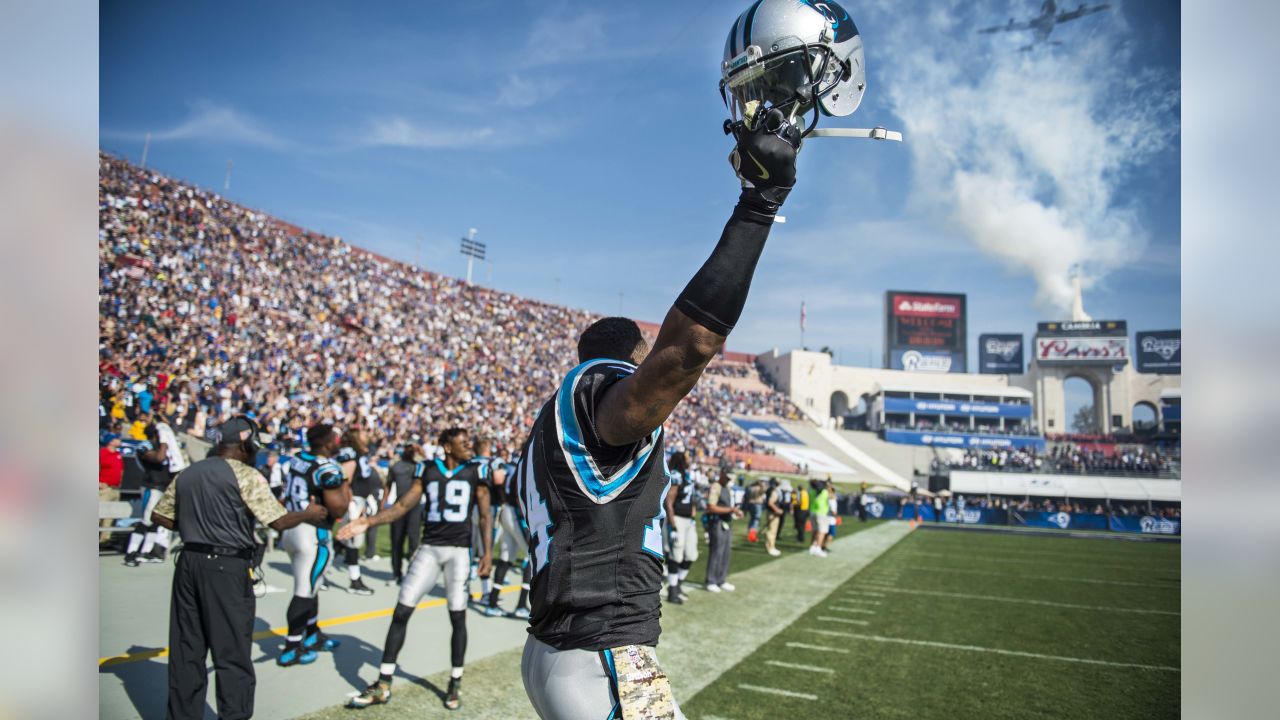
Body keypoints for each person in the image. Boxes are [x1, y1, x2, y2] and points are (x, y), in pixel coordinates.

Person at [150, 415, 328, 720]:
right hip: (226, 566)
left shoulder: (189, 473)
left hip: (188, 562)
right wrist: (308, 513)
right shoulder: (246, 475)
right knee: (231, 652)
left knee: (186, 650)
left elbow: (160, 516)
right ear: (248, 443)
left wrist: (197, 527)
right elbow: (277, 520)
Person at [339, 427, 493, 711]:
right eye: (462, 443)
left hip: (459, 552)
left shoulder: (476, 471)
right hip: (430, 548)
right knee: (401, 611)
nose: (468, 447)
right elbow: (402, 505)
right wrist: (368, 522)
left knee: (457, 617)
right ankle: (384, 682)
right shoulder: (428, 469)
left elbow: (485, 515)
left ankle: (455, 680)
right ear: (447, 447)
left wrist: (487, 553)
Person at [277, 423, 351, 667]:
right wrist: (344, 479)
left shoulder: (299, 458)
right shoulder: (327, 467)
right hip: (312, 533)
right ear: (327, 442)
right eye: (334, 439)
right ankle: (292, 646)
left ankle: (311, 633)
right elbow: (339, 508)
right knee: (305, 589)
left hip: (292, 528)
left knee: (312, 585)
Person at [476, 439, 531, 618]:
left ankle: (492, 602)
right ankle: (522, 605)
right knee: (533, 557)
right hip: (515, 512)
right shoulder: (528, 464)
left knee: (507, 557)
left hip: (508, 511)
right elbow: (520, 493)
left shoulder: (516, 464)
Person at [335, 426, 378, 596]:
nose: (366, 435)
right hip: (353, 500)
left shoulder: (360, 452)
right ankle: (354, 580)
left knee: (347, 539)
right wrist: (350, 500)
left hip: (360, 500)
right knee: (351, 539)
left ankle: (321, 566)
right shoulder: (349, 453)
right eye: (362, 433)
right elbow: (345, 479)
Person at [124, 422, 173, 566]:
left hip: (163, 487)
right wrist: (164, 442)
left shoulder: (164, 446)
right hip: (152, 486)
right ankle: (131, 552)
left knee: (156, 522)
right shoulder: (145, 446)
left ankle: (146, 551)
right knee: (146, 520)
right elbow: (159, 458)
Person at [663, 451, 701, 605]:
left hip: (688, 521)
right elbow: (669, 502)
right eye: (687, 458)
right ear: (681, 460)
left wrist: (693, 515)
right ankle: (672, 590)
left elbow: (691, 498)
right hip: (677, 519)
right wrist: (672, 525)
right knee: (675, 555)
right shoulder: (676, 475)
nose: (690, 460)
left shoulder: (686, 475)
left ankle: (678, 584)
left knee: (691, 554)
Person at [383, 443, 423, 584]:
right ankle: (396, 573)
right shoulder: (396, 465)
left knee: (414, 541)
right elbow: (388, 484)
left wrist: (419, 452)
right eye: (408, 447)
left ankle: (412, 573)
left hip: (414, 507)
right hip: (399, 507)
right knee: (396, 541)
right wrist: (383, 502)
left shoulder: (419, 465)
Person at [704, 471, 743, 592]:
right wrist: (731, 509)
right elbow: (711, 506)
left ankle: (721, 579)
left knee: (726, 552)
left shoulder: (726, 488)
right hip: (717, 523)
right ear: (721, 475)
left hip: (726, 523)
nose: (728, 480)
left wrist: (733, 511)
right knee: (716, 552)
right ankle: (711, 580)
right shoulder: (716, 487)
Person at [99, 434, 124, 545]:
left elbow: (121, 470)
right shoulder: (102, 453)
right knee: (99, 514)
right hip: (105, 488)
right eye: (117, 439)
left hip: (115, 488)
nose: (119, 441)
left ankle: (104, 540)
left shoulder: (118, 454)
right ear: (111, 441)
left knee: (110, 517)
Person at [763, 478, 787, 557]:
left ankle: (771, 546)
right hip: (772, 513)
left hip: (771, 512)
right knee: (772, 531)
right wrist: (777, 510)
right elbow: (770, 502)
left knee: (773, 530)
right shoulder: (773, 491)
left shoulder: (771, 490)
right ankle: (771, 547)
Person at [809, 479, 832, 557]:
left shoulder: (812, 491)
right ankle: (818, 548)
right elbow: (832, 497)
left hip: (813, 512)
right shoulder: (825, 492)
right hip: (822, 513)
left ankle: (812, 547)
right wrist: (829, 487)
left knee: (814, 530)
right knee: (822, 532)